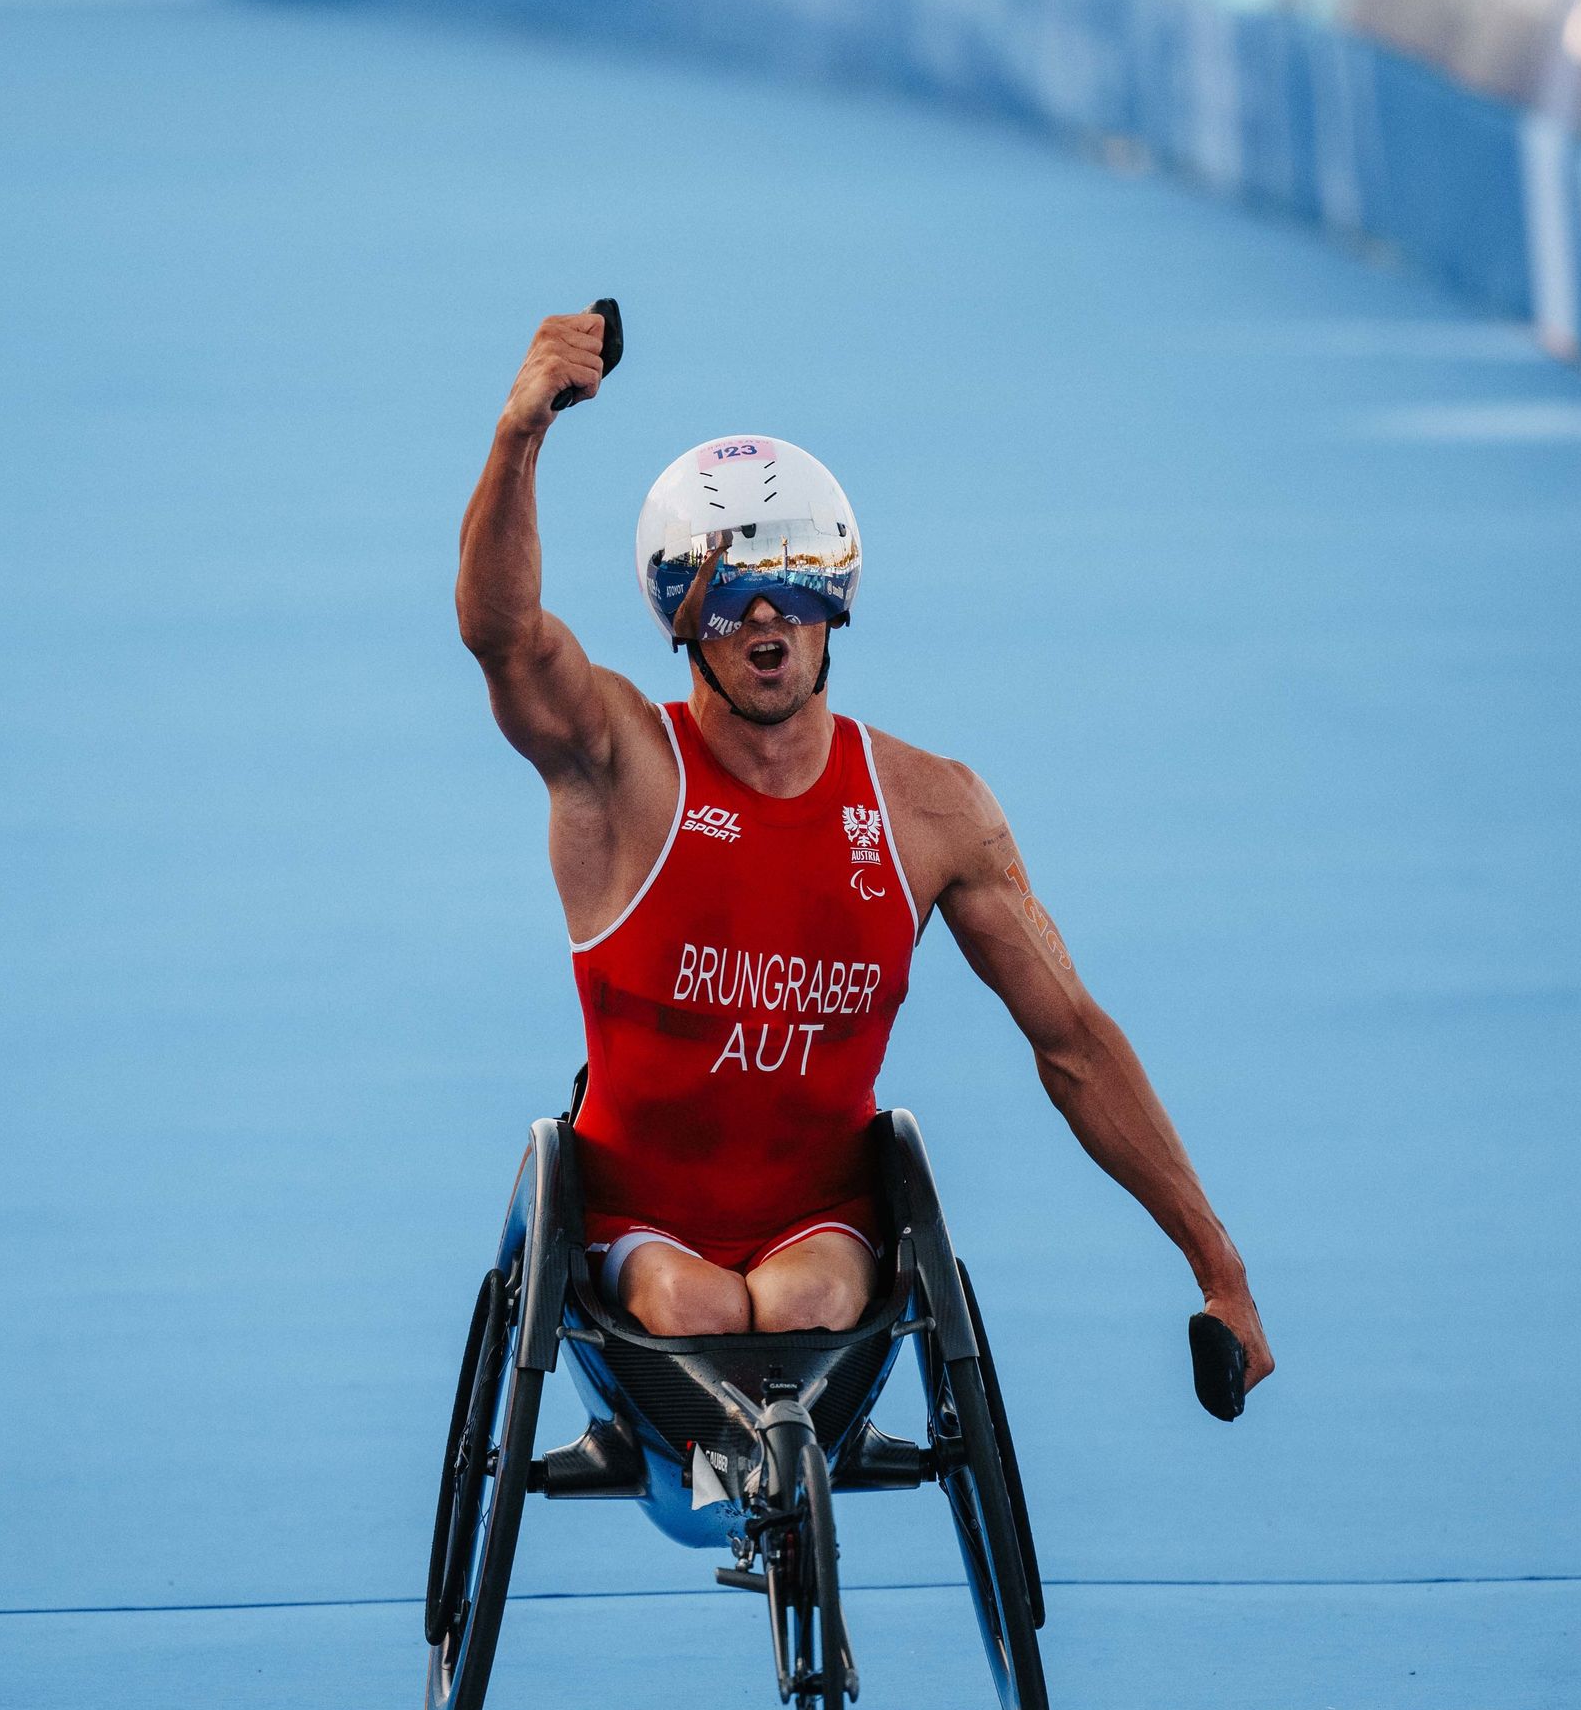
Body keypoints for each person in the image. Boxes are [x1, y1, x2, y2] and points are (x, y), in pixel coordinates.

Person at [455, 309, 1274, 1395]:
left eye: (793, 574)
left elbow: (1071, 1040)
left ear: (836, 594)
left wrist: (1219, 1269)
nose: (765, 609)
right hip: (637, 1231)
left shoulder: (934, 813)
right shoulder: (619, 766)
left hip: (820, 1231)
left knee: (801, 1305)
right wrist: (520, 436)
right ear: (676, 607)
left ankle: (783, 1499)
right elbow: (503, 636)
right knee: (700, 1302)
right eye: (728, 580)